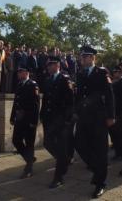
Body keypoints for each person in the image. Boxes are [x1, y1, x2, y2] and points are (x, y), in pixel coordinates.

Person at [74, 46, 115, 199]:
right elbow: (78, 95)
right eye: (81, 57)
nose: (82, 59)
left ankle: (100, 183)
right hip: (84, 117)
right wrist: (76, 112)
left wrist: (111, 116)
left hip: (99, 117)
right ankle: (97, 168)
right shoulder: (79, 74)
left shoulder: (102, 73)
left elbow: (109, 95)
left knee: (100, 150)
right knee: (79, 143)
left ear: (92, 58)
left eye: (85, 57)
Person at [40, 56, 74, 188]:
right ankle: (64, 159)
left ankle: (59, 177)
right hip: (49, 119)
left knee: (60, 147)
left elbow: (70, 101)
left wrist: (67, 119)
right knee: (47, 143)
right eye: (48, 65)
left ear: (58, 65)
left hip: (61, 120)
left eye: (51, 65)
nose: (49, 67)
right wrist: (42, 114)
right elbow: (46, 99)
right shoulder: (47, 80)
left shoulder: (65, 79)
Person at [10, 67, 40, 179]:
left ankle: (29, 169)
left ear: (27, 73)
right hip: (19, 118)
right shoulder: (19, 84)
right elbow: (16, 102)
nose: (18, 74)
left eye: (20, 72)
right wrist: (12, 117)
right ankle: (30, 159)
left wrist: (34, 121)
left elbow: (36, 105)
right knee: (16, 140)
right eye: (18, 72)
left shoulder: (33, 85)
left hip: (29, 119)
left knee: (29, 144)